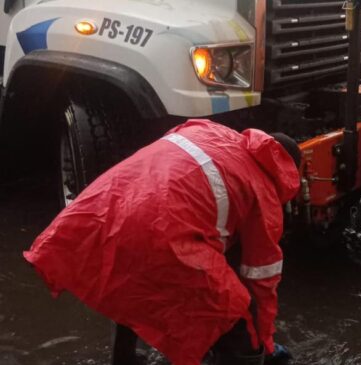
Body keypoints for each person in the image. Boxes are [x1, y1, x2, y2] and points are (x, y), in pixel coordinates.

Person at [23, 120, 302, 365]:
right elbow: (260, 280)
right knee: (238, 316)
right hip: (162, 234)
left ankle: (124, 359)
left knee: (128, 280)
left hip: (105, 208)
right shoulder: (264, 190)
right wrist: (264, 343)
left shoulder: (207, 130)